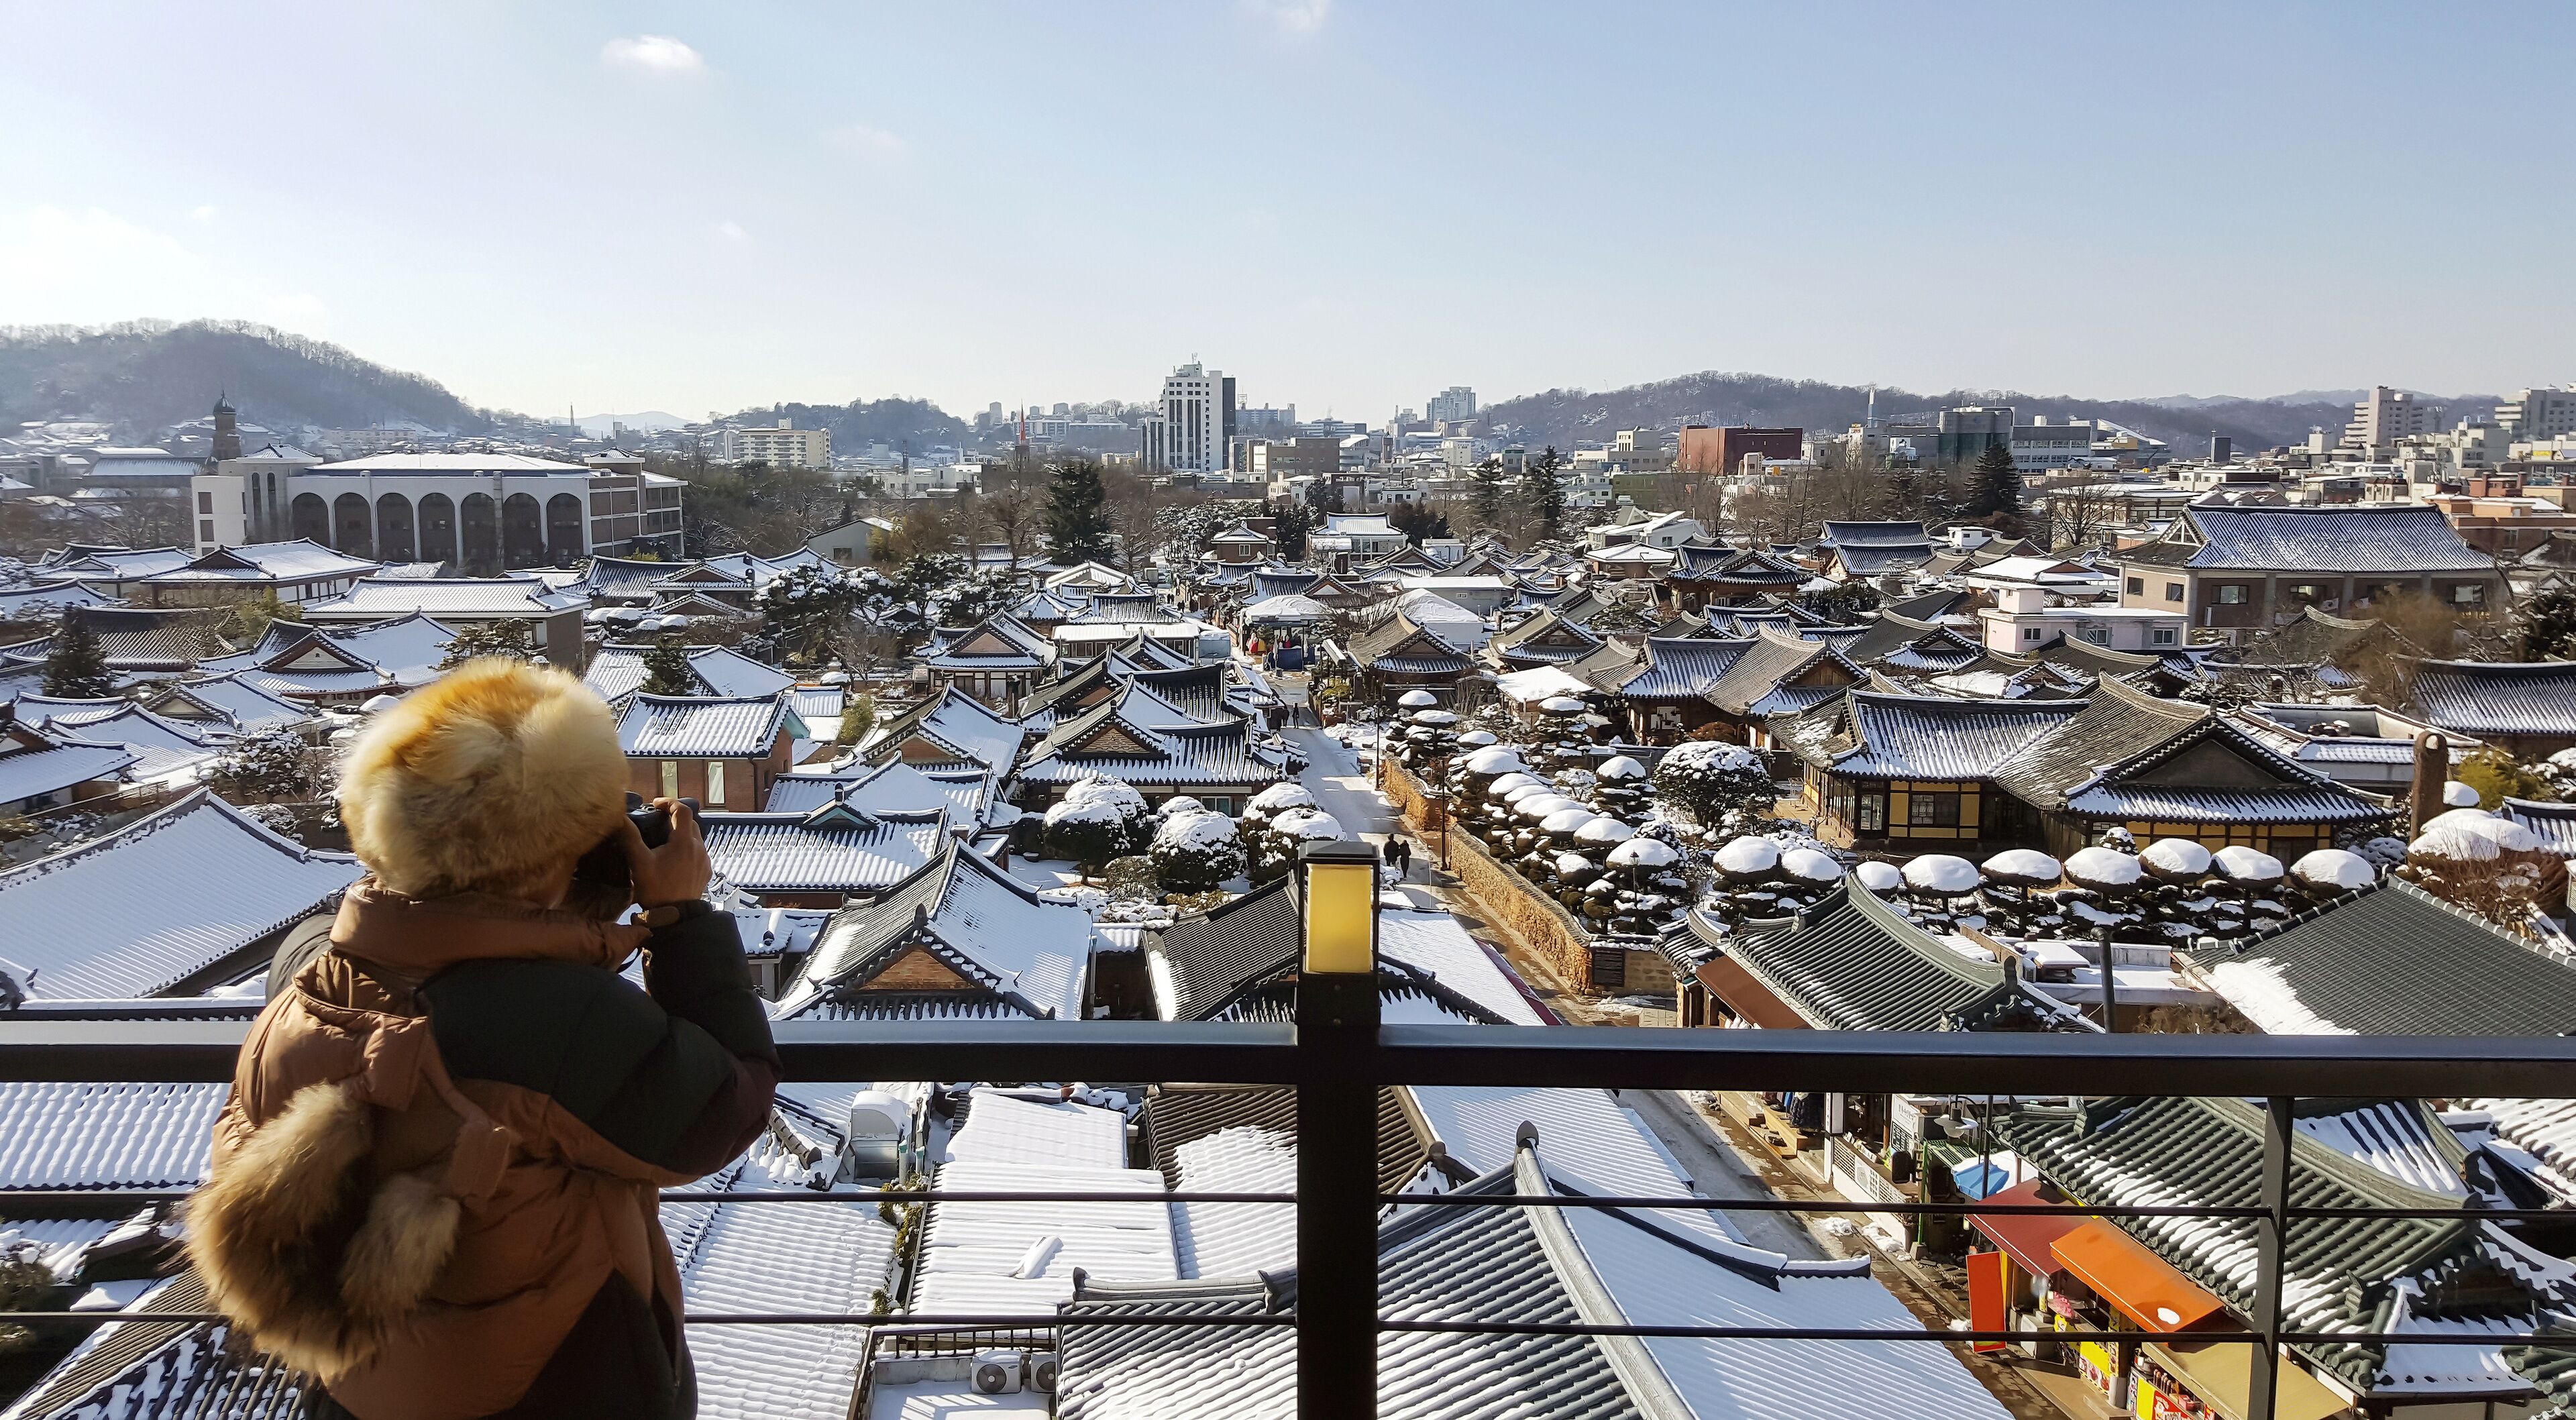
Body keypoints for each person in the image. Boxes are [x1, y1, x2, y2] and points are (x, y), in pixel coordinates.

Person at [189, 659, 780, 1420]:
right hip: (554, 1383)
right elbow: (724, 1109)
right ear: (548, 861)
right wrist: (682, 918)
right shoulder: (550, 1016)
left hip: (365, 1390)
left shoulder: (309, 979)